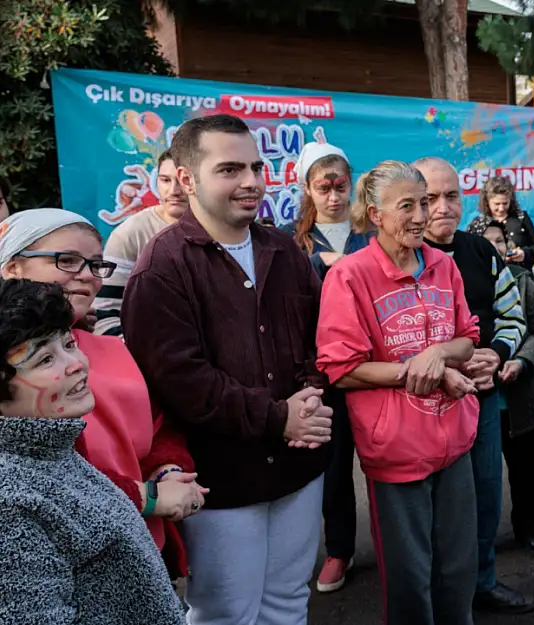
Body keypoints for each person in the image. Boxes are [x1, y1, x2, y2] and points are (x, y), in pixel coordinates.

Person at [121, 114, 334, 625]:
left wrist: (309, 399)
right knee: (225, 614)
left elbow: (318, 341)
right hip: (221, 481)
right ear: (188, 179)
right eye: (230, 169)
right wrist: (277, 417)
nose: (252, 182)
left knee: (287, 602)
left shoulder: (284, 249)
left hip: (297, 469)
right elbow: (181, 382)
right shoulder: (162, 267)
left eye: (257, 167)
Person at [316, 160, 482, 624]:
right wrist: (421, 367)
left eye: (423, 203)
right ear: (376, 215)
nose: (419, 215)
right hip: (396, 450)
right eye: (405, 205)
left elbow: (468, 338)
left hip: (455, 440)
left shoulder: (444, 264)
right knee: (410, 575)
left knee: (458, 567)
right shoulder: (349, 275)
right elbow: (341, 369)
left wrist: (440, 357)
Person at [0, 208, 203, 579]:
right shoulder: (10, 370)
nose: (86, 275)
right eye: (67, 260)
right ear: (12, 266)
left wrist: (168, 469)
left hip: (140, 548)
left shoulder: (111, 348)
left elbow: (158, 425)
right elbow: (44, 480)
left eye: (95, 265)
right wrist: (146, 497)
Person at [0, 279, 186, 625]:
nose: (76, 364)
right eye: (44, 359)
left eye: (69, 343)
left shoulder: (52, 449)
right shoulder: (11, 504)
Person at [412, 156, 533, 614]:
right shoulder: (394, 254)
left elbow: (513, 315)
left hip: (481, 401)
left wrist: (496, 355)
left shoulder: (481, 251)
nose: (441, 208)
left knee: (485, 497)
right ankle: (431, 594)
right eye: (428, 199)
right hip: (419, 407)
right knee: (425, 509)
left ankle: (480, 582)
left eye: (451, 196)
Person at [281, 141, 372, 594]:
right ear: (307, 189)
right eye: (324, 187)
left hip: (374, 368)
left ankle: (397, 543)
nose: (335, 196)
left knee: (385, 461)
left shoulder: (373, 233)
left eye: (341, 185)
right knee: (333, 468)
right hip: (323, 372)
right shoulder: (290, 241)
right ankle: (339, 549)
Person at [469, 216, 534, 557]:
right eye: (487, 241)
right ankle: (479, 537)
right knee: (479, 475)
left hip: (518, 395)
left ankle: (531, 527)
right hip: (477, 398)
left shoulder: (522, 280)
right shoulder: (461, 278)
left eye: (500, 240)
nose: (496, 247)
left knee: (525, 468)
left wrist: (520, 360)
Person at [93, 149, 190, 336]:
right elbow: (105, 311)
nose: (174, 191)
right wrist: (139, 355)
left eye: (183, 181)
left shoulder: (226, 230)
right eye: (165, 180)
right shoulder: (130, 233)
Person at [468, 175, 534, 271]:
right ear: (487, 202)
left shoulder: (521, 217)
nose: (501, 208)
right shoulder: (479, 224)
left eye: (505, 203)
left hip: (521, 274)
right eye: (497, 204)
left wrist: (524, 253)